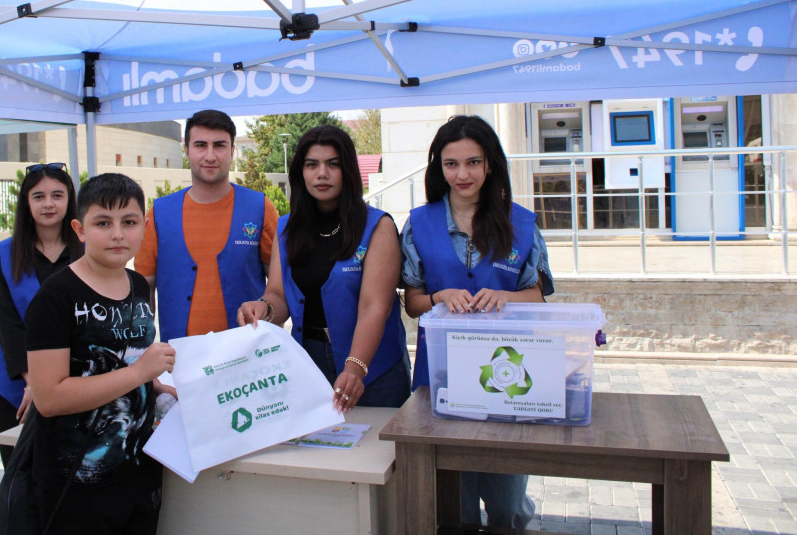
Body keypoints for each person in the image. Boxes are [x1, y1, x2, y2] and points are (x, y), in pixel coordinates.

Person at [400, 115, 554, 530]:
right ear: (439, 168)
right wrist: (438, 296)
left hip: (509, 377)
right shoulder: (418, 224)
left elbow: (538, 295)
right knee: (454, 504)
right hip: (441, 376)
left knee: (507, 504)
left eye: (473, 162)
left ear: (490, 166)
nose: (462, 174)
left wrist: (506, 296)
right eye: (451, 164)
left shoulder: (521, 224)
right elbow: (412, 302)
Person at [25, 173, 176, 533]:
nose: (118, 234)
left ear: (144, 225)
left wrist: (154, 387)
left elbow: (126, 357)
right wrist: (139, 374)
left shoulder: (138, 285)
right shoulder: (55, 297)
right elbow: (49, 397)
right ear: (79, 229)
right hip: (76, 484)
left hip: (138, 471)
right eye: (103, 223)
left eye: (129, 222)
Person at [239, 126, 410, 412]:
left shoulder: (378, 227)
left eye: (333, 164)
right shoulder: (286, 228)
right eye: (311, 165)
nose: (322, 173)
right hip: (309, 364)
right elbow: (278, 295)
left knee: (376, 453)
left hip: (374, 368)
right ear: (300, 172)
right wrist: (263, 309)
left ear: (348, 171)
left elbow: (374, 307)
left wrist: (355, 368)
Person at [136, 109, 279, 341]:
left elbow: (278, 290)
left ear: (232, 151)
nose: (210, 156)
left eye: (219, 145)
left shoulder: (260, 208)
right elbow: (144, 291)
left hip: (247, 358)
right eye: (201, 145)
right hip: (180, 360)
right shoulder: (160, 213)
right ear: (187, 151)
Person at [0, 162, 82, 467]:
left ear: (69, 200)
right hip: (15, 381)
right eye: (38, 196)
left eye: (57, 194)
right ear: (27, 203)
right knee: (21, 468)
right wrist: (34, 384)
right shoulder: (7, 254)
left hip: (73, 379)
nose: (48, 204)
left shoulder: (86, 250)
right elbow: (8, 325)